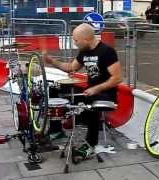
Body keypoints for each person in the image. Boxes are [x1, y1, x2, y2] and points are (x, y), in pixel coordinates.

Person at [42, 23, 122, 158]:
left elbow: (117, 78)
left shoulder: (107, 51)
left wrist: (96, 88)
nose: (75, 43)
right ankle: (56, 130)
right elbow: (71, 67)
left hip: (106, 95)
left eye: (76, 40)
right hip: (90, 91)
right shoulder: (84, 51)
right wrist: (52, 61)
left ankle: (91, 144)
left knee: (91, 101)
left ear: (86, 39)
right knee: (54, 89)